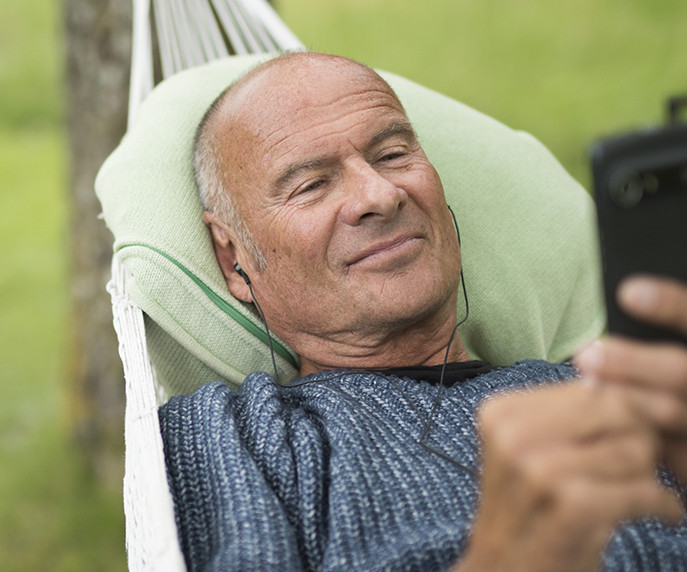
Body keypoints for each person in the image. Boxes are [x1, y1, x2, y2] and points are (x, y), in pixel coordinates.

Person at [158, 52, 687, 571]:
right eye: (312, 185)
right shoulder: (237, 436)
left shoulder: (610, 388)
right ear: (234, 257)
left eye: (392, 155)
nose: (381, 194)